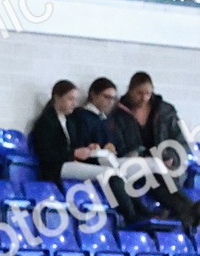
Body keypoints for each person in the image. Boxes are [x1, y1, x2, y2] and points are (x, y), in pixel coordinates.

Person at [77, 77, 200, 230]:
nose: (110, 102)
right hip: (118, 161)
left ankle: (188, 210)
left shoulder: (108, 117)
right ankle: (188, 210)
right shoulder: (104, 115)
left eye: (112, 98)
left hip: (128, 159)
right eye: (106, 97)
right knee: (154, 172)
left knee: (157, 178)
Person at [29, 79, 154, 226]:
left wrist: (90, 148)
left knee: (117, 171)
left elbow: (74, 145)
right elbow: (47, 154)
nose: (74, 104)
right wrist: (74, 154)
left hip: (70, 162)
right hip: (57, 167)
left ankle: (139, 210)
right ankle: (130, 215)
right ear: (57, 97)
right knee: (108, 172)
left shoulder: (68, 121)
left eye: (75, 99)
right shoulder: (45, 122)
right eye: (70, 99)